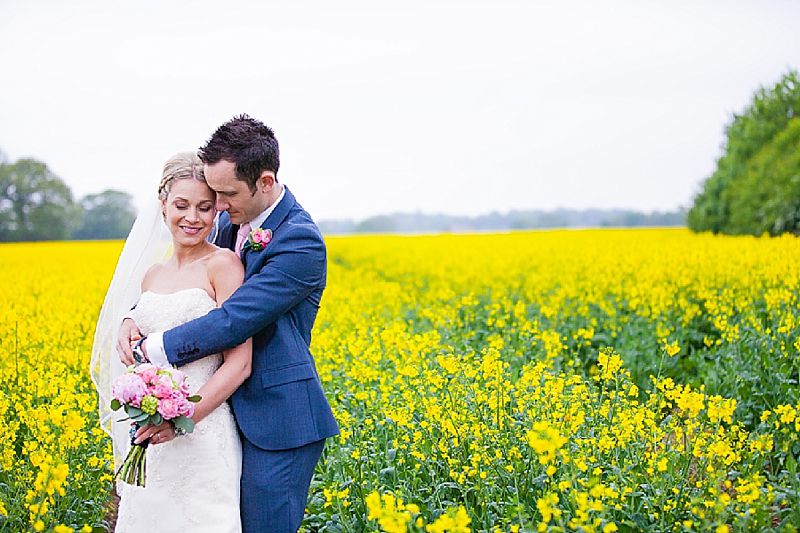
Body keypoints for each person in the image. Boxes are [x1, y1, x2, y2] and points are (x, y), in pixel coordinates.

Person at [117, 115, 339, 533]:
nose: (216, 206)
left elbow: (233, 320)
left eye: (226, 194)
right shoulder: (227, 221)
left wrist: (151, 347)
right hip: (222, 413)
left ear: (265, 182)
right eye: (213, 194)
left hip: (277, 420)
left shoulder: (300, 241)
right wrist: (134, 314)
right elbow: (185, 280)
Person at [91, 152, 250, 532]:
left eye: (204, 207)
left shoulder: (224, 265)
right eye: (181, 205)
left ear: (217, 211)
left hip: (204, 433)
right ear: (163, 204)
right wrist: (128, 323)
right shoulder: (151, 275)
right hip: (151, 436)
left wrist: (183, 419)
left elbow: (239, 363)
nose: (192, 217)